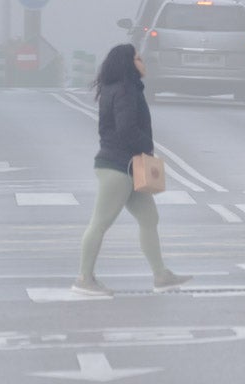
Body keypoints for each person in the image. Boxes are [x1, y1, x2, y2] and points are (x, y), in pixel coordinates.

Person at [72, 43, 191, 297]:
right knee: (100, 223)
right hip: (118, 167)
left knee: (149, 219)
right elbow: (125, 129)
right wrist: (146, 145)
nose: (143, 61)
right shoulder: (125, 90)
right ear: (129, 63)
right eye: (138, 58)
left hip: (127, 166)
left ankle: (161, 275)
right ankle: (84, 278)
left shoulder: (118, 88)